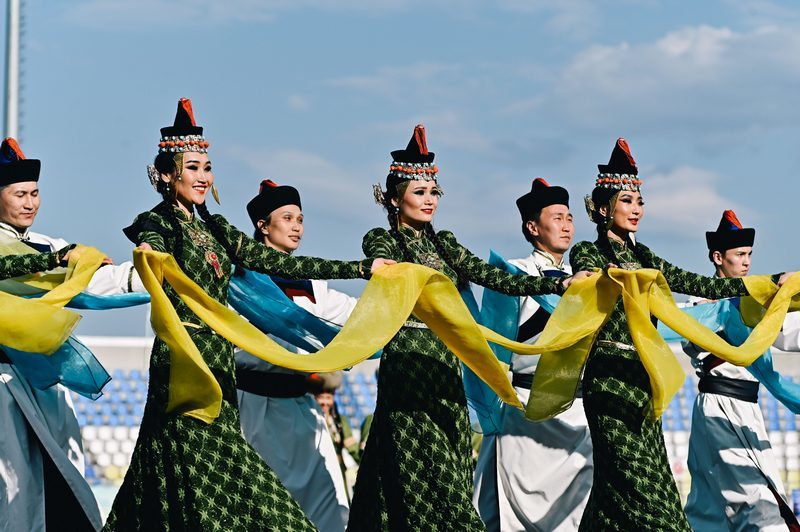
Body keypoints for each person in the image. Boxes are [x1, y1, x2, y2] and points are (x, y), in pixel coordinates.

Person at [103, 98, 386, 531]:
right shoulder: (157, 223)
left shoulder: (216, 229)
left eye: (207, 167)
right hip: (183, 361)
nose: (203, 176)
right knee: (182, 468)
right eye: (192, 167)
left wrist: (360, 268)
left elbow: (277, 262)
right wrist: (149, 253)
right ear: (166, 174)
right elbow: (151, 245)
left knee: (222, 479)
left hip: (219, 363)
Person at [347, 124, 584, 531]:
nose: (429, 200)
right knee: (423, 476)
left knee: (445, 472)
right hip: (408, 366)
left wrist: (555, 284)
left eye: (433, 192)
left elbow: (495, 277)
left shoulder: (446, 244)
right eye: (419, 192)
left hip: (445, 368)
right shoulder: (382, 242)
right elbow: (382, 266)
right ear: (394, 199)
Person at [569, 138, 792, 531]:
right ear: (604, 209)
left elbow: (698, 283)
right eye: (626, 201)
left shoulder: (646, 257)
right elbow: (584, 272)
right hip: (609, 378)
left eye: (639, 201)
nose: (636, 209)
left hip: (644, 381)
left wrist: (771, 281)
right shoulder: (589, 251)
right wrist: (588, 278)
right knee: (645, 494)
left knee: (622, 489)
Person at [0, 136, 144, 531]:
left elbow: (99, 280)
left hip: (45, 379)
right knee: (13, 488)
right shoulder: (42, 252)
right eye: (19, 194)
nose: (30, 203)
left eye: (34, 193)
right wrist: (59, 261)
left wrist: (155, 273)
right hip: (3, 380)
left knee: (66, 477)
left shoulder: (53, 246)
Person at [473, 177, 593, 531]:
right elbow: (494, 343)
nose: (567, 225)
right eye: (557, 218)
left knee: (576, 516)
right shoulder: (513, 274)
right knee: (520, 516)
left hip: (577, 412)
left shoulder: (585, 277)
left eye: (569, 218)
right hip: (526, 407)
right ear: (532, 227)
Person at [236, 179, 355, 531]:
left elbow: (354, 312)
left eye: (300, 219)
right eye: (287, 218)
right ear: (263, 226)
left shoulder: (310, 282)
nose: (297, 227)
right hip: (253, 408)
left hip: (302, 408)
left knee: (329, 507)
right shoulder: (239, 277)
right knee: (260, 508)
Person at [683, 210, 800, 531]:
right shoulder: (701, 301)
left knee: (711, 511)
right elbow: (690, 337)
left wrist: (788, 294)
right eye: (739, 255)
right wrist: (726, 310)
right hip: (719, 406)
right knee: (758, 505)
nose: (746, 262)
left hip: (748, 409)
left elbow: (789, 333)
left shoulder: (754, 300)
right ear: (718, 257)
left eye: (749, 254)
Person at [309, 372, 361, 489]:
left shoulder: (339, 420)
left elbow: (352, 447)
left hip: (338, 470)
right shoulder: (309, 418)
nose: (325, 402)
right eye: (321, 397)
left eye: (328, 398)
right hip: (316, 471)